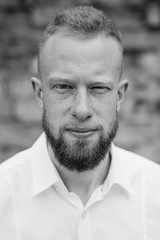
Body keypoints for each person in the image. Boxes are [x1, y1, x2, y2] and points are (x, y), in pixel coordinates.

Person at [0, 5, 160, 240]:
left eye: (98, 88)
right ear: (39, 93)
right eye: (64, 87)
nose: (82, 110)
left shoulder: (155, 192)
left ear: (119, 95)